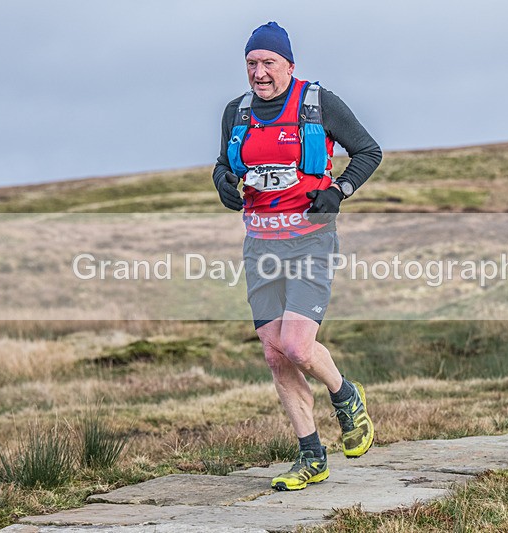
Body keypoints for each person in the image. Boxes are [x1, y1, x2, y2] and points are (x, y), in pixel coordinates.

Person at [213, 21, 382, 491]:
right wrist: (223, 185)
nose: (259, 73)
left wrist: (339, 190)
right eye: (252, 64)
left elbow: (369, 151)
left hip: (310, 242)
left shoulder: (317, 103)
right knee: (275, 354)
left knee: (297, 346)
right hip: (260, 245)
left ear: (289, 65)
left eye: (268, 63)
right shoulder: (237, 112)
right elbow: (224, 166)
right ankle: (311, 456)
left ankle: (345, 395)